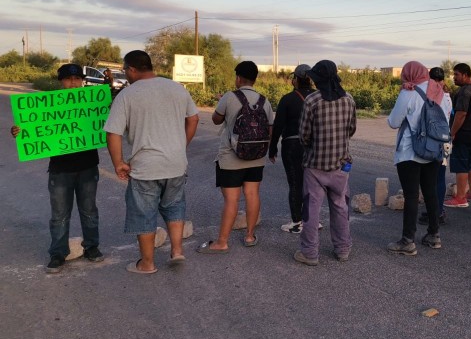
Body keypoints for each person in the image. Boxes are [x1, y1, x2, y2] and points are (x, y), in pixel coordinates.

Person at [104, 50, 199, 274]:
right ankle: (176, 251)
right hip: (175, 164)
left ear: (133, 69)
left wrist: (118, 162)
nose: (125, 73)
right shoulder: (176, 88)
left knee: (144, 214)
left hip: (145, 167)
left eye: (125, 69)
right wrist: (180, 145)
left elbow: (113, 133)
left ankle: (147, 264)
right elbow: (193, 119)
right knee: (174, 206)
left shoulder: (127, 95)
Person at [10, 64, 104, 274]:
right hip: (60, 169)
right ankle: (58, 253)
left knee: (89, 211)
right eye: (69, 79)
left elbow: (107, 123)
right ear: (61, 81)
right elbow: (30, 128)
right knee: (60, 214)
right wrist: (18, 131)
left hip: (88, 166)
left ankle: (92, 247)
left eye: (77, 79)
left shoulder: (92, 101)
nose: (73, 82)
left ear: (82, 81)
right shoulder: (47, 105)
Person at [197, 61, 274, 254]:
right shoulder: (264, 101)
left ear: (238, 78)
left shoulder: (230, 97)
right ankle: (249, 236)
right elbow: (270, 130)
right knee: (252, 194)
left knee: (231, 200)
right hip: (256, 157)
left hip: (231, 158)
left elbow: (216, 120)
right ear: (255, 79)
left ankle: (222, 242)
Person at [293, 60, 357, 266]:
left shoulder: (312, 101)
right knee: (340, 207)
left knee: (311, 209)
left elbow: (303, 135)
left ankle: (310, 253)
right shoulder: (349, 100)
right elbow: (351, 130)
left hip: (315, 165)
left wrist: (314, 145)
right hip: (341, 165)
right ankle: (343, 249)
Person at [387, 61, 446, 255]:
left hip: (410, 152)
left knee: (411, 195)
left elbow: (394, 122)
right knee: (430, 192)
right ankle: (434, 235)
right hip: (434, 150)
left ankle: (407, 240)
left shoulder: (409, 92)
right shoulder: (441, 92)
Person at [269, 64, 314, 234]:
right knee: (312, 184)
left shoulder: (288, 99)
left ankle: (297, 222)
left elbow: (278, 125)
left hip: (292, 145)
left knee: (295, 183)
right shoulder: (318, 97)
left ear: (295, 79)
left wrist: (272, 149)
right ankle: (312, 220)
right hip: (313, 146)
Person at [443, 63, 471, 208]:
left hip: (463, 133)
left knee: (460, 165)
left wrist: (452, 133)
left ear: (465, 75)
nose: (454, 77)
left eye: (456, 74)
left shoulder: (464, 92)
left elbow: (461, 114)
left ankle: (460, 198)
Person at [419, 66, 453, 226]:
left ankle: (435, 212)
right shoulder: (447, 96)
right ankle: (438, 210)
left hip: (434, 140)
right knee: (439, 177)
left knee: (432, 179)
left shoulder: (431, 95)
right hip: (446, 141)